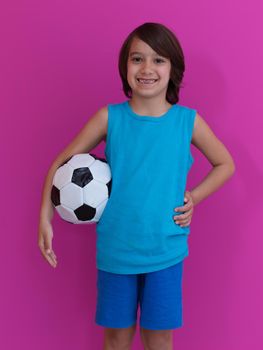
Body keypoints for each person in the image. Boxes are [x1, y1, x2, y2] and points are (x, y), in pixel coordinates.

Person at [38, 22, 235, 350]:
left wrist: (194, 197)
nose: (147, 68)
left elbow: (225, 164)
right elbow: (61, 162)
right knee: (116, 338)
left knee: (158, 338)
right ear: (124, 67)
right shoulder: (109, 118)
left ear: (173, 69)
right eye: (137, 59)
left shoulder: (187, 121)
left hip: (166, 249)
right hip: (117, 251)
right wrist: (44, 216)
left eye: (158, 60)